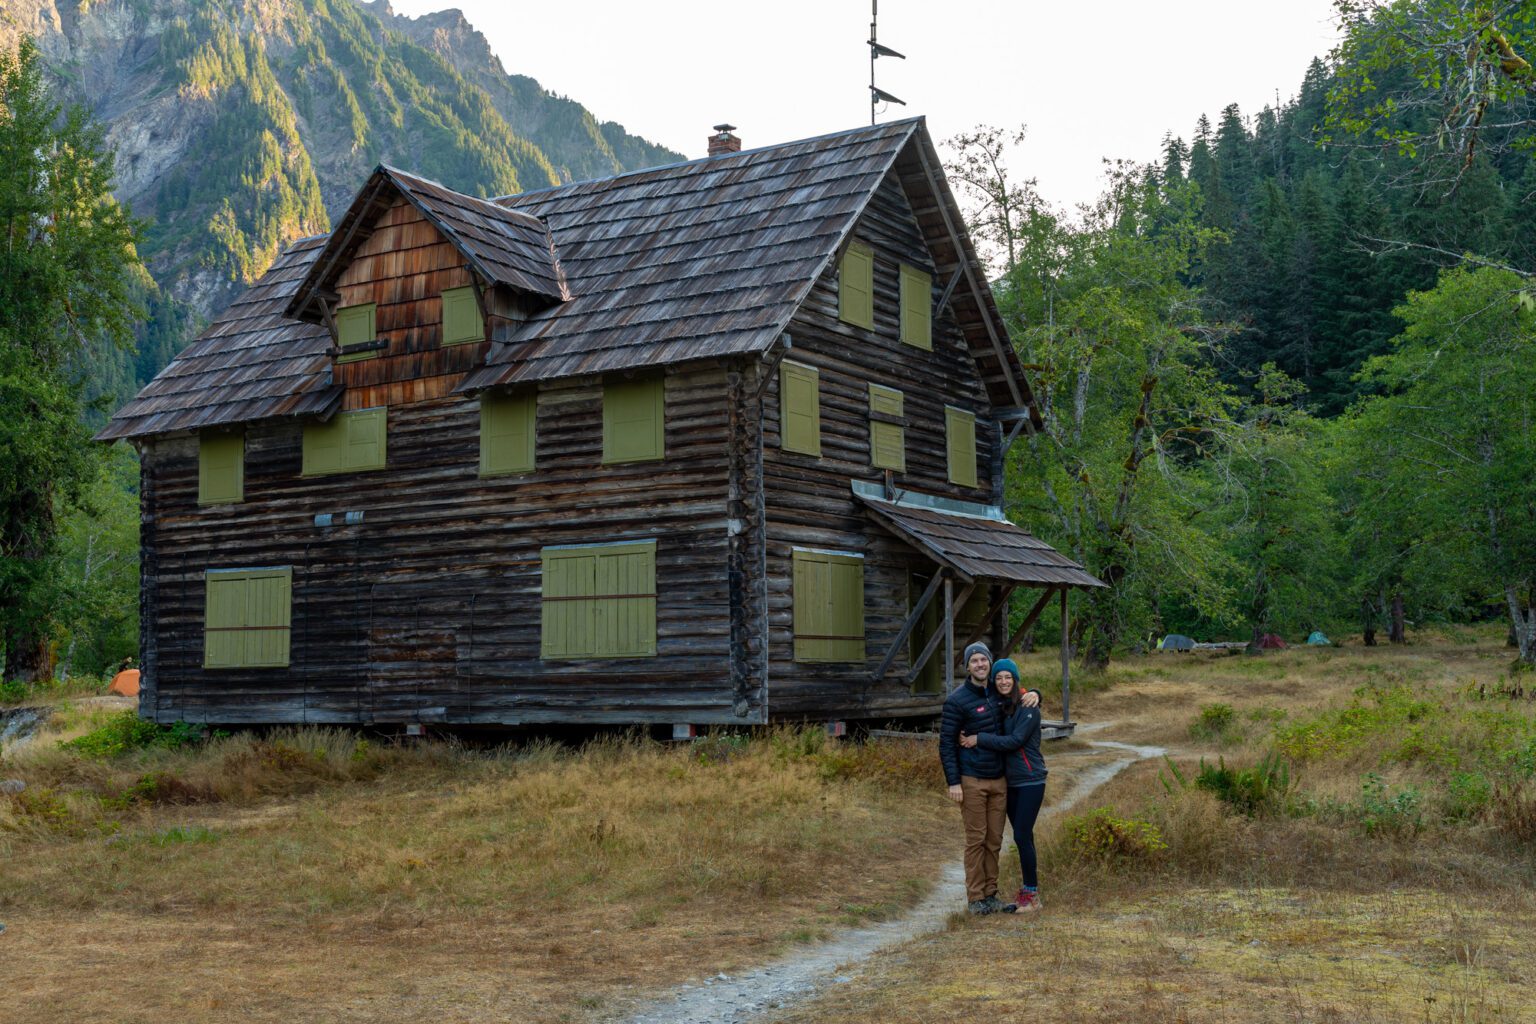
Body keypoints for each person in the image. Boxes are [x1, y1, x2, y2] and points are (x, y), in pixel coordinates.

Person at [938, 642, 1040, 915]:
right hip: (972, 779)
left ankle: (991, 894)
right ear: (967, 666)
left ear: (989, 664)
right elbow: (946, 744)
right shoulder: (957, 701)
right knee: (976, 839)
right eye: (974, 661)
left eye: (984, 660)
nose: (980, 665)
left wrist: (1035, 693)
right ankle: (975, 898)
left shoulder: (997, 692)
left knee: (994, 840)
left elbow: (1018, 692)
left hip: (999, 780)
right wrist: (953, 782)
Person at [960, 657, 1047, 912]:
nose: (1004, 681)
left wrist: (979, 739)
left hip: (1031, 780)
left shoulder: (1028, 708)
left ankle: (1032, 895)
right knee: (1023, 836)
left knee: (1021, 835)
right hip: (1010, 782)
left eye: (1008, 677)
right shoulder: (1003, 706)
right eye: (999, 678)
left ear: (1015, 679)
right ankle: (1023, 892)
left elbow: (1015, 741)